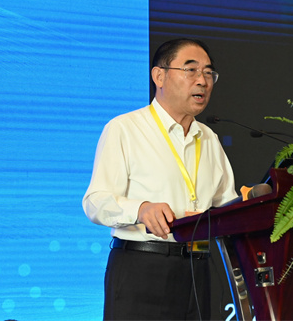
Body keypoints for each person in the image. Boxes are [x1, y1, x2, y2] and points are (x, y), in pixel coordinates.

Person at [83, 38, 238, 321]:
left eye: (208, 73)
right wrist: (140, 209)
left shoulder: (209, 138)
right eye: (191, 70)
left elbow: (226, 204)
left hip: (198, 269)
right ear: (159, 76)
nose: (202, 81)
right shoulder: (125, 128)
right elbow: (95, 202)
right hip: (143, 268)